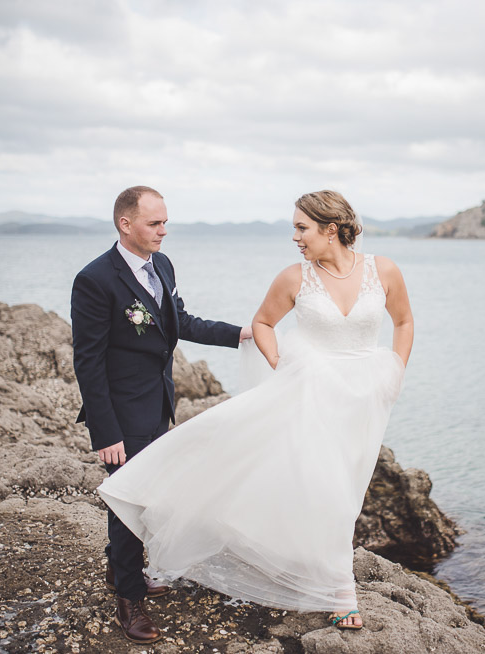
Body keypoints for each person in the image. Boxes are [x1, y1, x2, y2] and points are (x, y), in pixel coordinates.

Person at [97, 189, 413, 631]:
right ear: (126, 224)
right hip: (305, 396)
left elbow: (403, 322)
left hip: (365, 397)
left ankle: (126, 564)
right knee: (331, 489)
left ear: (331, 229)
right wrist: (287, 368)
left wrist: (394, 371)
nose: (296, 237)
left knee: (349, 487)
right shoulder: (293, 278)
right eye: (157, 223)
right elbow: (262, 322)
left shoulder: (384, 270)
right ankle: (342, 589)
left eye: (302, 228)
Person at [71, 185, 251, 644]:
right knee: (127, 501)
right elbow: (87, 362)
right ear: (125, 224)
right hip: (120, 414)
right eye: (154, 223)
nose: (163, 231)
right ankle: (129, 600)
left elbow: (181, 322)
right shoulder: (95, 279)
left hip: (160, 404)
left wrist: (242, 334)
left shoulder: (163, 266)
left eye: (165, 222)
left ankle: (119, 571)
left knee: (147, 496)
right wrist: (104, 432)